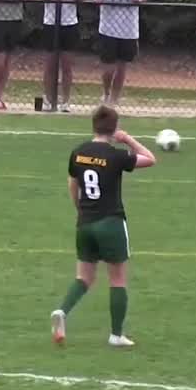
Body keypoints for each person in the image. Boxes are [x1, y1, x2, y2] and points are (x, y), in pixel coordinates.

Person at [50, 105, 156, 348]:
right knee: (117, 279)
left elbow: (72, 185)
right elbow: (150, 159)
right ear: (114, 128)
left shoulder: (78, 153)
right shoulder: (116, 155)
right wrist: (128, 139)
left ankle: (62, 311)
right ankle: (116, 335)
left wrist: (80, 209)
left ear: (93, 125)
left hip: (84, 223)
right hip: (111, 222)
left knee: (84, 277)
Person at [91, 0, 152, 107]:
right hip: (108, 26)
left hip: (129, 29)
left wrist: (140, 0)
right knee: (108, 67)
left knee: (122, 66)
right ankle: (106, 93)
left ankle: (115, 99)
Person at [36, 0, 86, 112]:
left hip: (69, 23)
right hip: (50, 22)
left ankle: (65, 100)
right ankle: (49, 99)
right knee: (50, 63)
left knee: (67, 64)